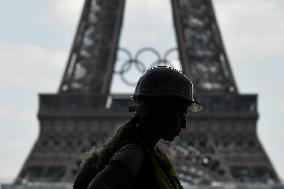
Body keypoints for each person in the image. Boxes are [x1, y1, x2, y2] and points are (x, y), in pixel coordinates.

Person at [73, 66, 202, 189]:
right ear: (161, 112)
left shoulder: (152, 155)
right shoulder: (134, 155)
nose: (184, 125)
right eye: (181, 115)